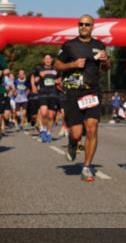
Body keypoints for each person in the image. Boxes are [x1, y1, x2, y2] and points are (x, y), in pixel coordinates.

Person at [54, 15, 109, 181]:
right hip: (72, 93)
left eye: (87, 24)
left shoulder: (99, 45)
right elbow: (57, 65)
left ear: (93, 27)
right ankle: (72, 143)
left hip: (91, 91)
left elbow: (105, 68)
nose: (83, 26)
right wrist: (72, 64)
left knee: (92, 127)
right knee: (77, 134)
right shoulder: (69, 45)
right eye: (81, 24)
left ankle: (87, 166)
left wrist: (106, 61)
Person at [31, 55, 60, 143]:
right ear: (43, 60)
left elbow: (59, 78)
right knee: (43, 112)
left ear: (51, 60)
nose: (48, 60)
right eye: (46, 59)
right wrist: (33, 85)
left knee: (51, 116)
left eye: (49, 59)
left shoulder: (56, 69)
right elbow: (33, 76)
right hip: (43, 93)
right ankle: (42, 130)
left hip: (53, 93)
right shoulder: (39, 68)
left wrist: (58, 81)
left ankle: (49, 133)